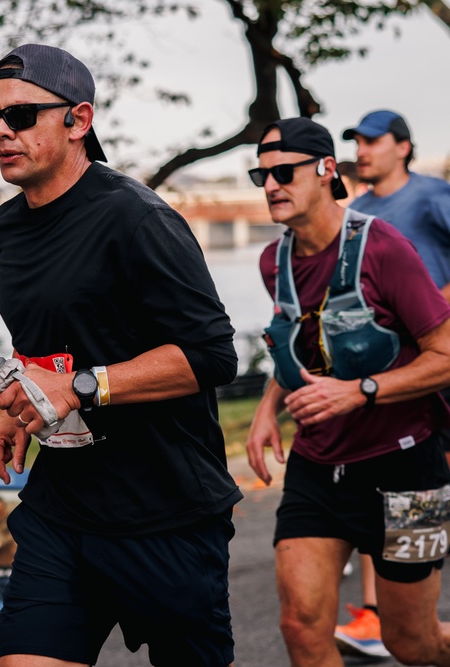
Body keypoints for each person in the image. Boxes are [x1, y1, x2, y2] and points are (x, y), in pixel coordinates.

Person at [0, 44, 242, 667]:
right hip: (63, 510)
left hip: (165, 513)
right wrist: (13, 408)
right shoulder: (8, 228)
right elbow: (42, 338)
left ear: (79, 120)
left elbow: (212, 353)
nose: (3, 133)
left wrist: (86, 387)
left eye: (22, 116)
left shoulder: (137, 217)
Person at [245, 117, 450, 667]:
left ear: (326, 169)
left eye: (283, 172)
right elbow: (300, 345)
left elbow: (445, 356)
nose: (270, 186)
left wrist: (361, 390)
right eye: (260, 175)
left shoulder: (384, 248)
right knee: (301, 626)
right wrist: (269, 407)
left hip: (408, 472)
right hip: (318, 469)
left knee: (412, 642)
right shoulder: (276, 260)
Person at [333, 109, 450, 658]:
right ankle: (378, 616)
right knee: (388, 484)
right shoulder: (355, 212)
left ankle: (408, 619)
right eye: (355, 142)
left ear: (402, 146)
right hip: (386, 376)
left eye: (372, 141)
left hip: (439, 360)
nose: (362, 150)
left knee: (426, 486)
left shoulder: (431, 196)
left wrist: (434, 313)